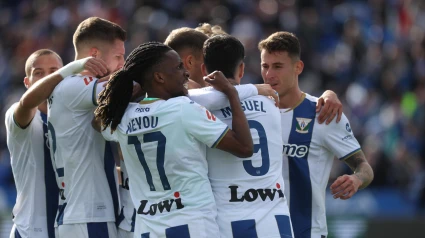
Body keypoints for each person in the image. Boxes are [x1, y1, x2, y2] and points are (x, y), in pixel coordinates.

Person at [94, 42, 254, 238]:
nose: (186, 73)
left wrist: (129, 94)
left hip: (147, 228)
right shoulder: (183, 108)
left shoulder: (124, 116)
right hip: (191, 224)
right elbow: (244, 147)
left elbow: (98, 122)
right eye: (179, 67)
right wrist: (231, 93)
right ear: (159, 77)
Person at [258, 31, 374, 238]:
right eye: (265, 66)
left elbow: (364, 168)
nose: (269, 75)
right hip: (260, 231)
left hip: (306, 232)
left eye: (277, 66)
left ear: (298, 67)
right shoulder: (252, 112)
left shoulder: (324, 114)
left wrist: (356, 180)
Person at [20, 17, 125, 238]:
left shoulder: (70, 88)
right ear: (95, 55)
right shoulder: (76, 86)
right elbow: (126, 89)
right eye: (118, 57)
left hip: (79, 216)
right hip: (89, 217)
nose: (122, 64)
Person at [5, 49, 106, 238]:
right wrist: (70, 69)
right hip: (32, 231)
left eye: (53, 71)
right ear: (27, 83)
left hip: (70, 226)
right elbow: (26, 104)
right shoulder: (17, 113)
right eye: (38, 73)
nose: (47, 78)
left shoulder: (77, 118)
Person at [202, 34, 294, 237]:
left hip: (229, 221)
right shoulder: (270, 102)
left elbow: (182, 99)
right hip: (277, 222)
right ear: (242, 69)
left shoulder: (198, 109)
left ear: (203, 70)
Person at [164, 26, 343, 124]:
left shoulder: (190, 100)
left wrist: (328, 94)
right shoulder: (258, 100)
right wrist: (252, 89)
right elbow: (244, 148)